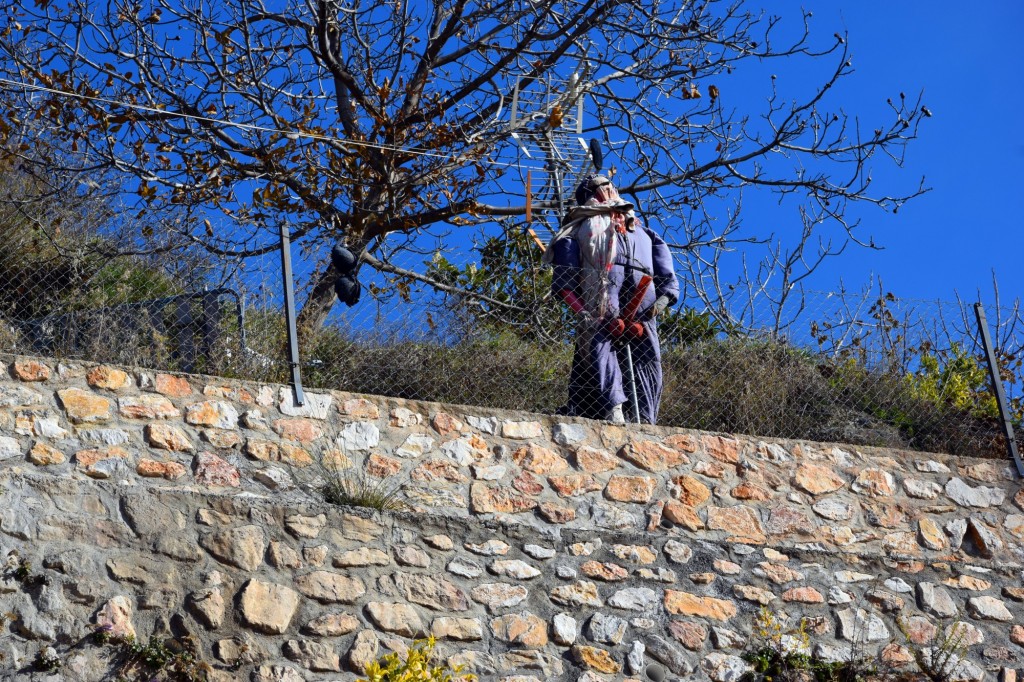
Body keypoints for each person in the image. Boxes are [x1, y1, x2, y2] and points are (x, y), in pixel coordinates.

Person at [544, 175, 679, 424]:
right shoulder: (574, 232)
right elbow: (565, 281)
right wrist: (582, 312)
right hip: (600, 297)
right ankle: (613, 409)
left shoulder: (644, 232)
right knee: (601, 348)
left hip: (644, 304)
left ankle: (645, 419)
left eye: (611, 186)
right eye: (602, 187)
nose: (610, 190)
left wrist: (655, 309)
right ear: (590, 194)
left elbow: (667, 278)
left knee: (648, 358)